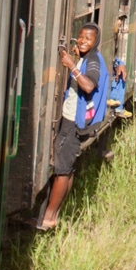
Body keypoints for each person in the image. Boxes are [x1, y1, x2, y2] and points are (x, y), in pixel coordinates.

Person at [38, 23, 110, 230]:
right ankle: (54, 214)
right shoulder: (88, 58)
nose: (83, 41)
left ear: (96, 41)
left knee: (62, 170)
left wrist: (72, 66)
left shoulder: (93, 61)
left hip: (73, 123)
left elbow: (88, 85)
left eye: (88, 38)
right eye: (81, 37)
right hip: (74, 121)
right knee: (67, 169)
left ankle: (49, 217)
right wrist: (76, 58)